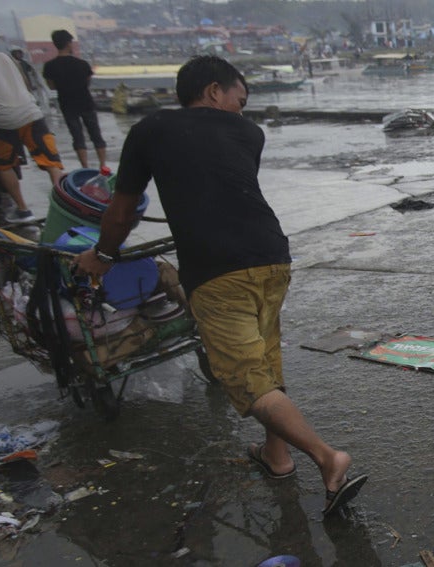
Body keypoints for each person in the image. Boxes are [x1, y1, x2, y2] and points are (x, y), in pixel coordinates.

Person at [72, 55, 367, 516]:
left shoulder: (151, 129)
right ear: (214, 91)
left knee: (246, 377)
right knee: (265, 359)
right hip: (273, 258)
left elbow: (123, 209)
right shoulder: (250, 134)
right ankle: (276, 455)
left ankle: (328, 458)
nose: (241, 111)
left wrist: (102, 256)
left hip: (216, 270)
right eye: (239, 100)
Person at [0, 27, 64, 222]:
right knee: (50, 161)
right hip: (31, 113)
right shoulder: (6, 58)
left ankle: (23, 210)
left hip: (2, 120)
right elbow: (25, 85)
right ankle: (63, 204)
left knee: (4, 166)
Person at [42, 29, 107, 170]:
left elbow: (51, 86)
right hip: (86, 102)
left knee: (77, 137)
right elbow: (87, 82)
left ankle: (85, 167)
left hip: (67, 104)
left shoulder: (49, 66)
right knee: (96, 134)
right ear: (68, 43)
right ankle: (103, 165)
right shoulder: (82, 64)